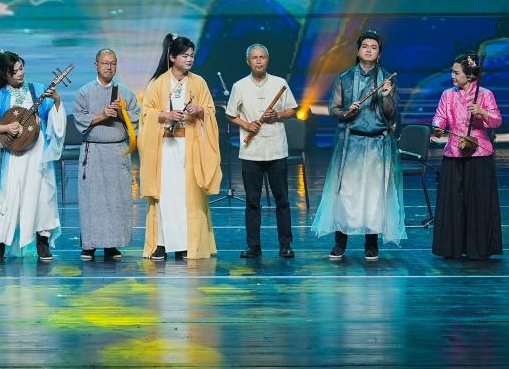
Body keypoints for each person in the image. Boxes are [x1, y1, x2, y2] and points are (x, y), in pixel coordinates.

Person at [310, 29, 405, 260]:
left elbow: (391, 114)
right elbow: (333, 108)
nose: (369, 50)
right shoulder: (344, 78)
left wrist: (386, 96)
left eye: (374, 47)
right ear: (358, 50)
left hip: (378, 144)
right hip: (351, 143)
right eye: (365, 46)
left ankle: (371, 243)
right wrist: (346, 112)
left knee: (374, 195)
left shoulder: (387, 79)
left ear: (379, 53)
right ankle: (340, 242)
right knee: (346, 193)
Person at [138, 33, 221, 261]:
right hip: (165, 148)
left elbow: (210, 111)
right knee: (165, 195)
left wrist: (199, 110)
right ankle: (161, 244)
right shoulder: (157, 84)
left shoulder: (198, 83)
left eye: (191, 55)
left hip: (189, 147)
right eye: (185, 55)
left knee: (188, 196)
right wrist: (165, 115)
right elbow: (146, 114)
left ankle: (187, 244)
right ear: (172, 57)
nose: (189, 59)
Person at [0, 49, 65, 262]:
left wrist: (56, 101)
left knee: (42, 196)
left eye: (21, 68)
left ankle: (42, 242)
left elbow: (53, 119)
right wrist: (5, 127)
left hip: (38, 153)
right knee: (9, 197)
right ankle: (0, 244)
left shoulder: (38, 90)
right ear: (4, 74)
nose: (20, 73)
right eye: (14, 71)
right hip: (15, 155)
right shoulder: (0, 98)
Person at [225, 43, 297, 259]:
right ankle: (253, 247)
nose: (258, 61)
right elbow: (230, 114)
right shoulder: (239, 86)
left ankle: (286, 245)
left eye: (262, 57)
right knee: (252, 202)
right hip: (251, 152)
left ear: (268, 60)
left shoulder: (280, 83)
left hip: (276, 149)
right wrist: (247, 125)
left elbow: (293, 110)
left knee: (282, 200)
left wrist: (278, 115)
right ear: (248, 61)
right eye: (254, 57)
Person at [430, 52, 503, 260]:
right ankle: (452, 247)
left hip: (479, 153)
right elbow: (440, 116)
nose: (452, 76)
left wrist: (482, 112)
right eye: (452, 72)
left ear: (469, 75)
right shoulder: (448, 95)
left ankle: (478, 248)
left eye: (456, 73)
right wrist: (437, 127)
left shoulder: (485, 94)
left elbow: (497, 120)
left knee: (478, 203)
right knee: (453, 202)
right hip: (454, 152)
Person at [71, 48, 141, 261]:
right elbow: (78, 119)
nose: (109, 67)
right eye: (105, 63)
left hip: (117, 151)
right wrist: (102, 115)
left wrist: (121, 114)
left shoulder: (125, 93)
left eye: (113, 63)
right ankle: (89, 245)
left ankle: (112, 244)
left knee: (117, 199)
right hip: (94, 151)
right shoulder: (84, 92)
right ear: (96, 65)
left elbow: (137, 117)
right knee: (92, 200)